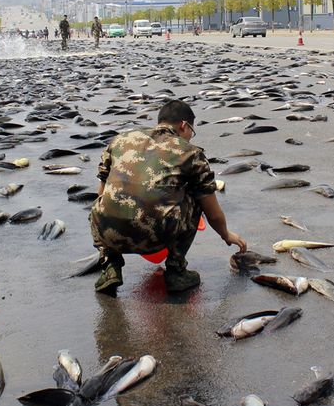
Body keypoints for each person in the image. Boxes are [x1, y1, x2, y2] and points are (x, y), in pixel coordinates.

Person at [89, 100, 247, 295]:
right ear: (184, 125)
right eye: (192, 131)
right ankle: (176, 271)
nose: (190, 137)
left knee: (103, 204)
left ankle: (110, 267)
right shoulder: (191, 153)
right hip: (156, 236)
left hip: (108, 233)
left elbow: (101, 192)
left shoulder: (120, 140)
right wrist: (226, 234)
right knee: (197, 196)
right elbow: (211, 211)